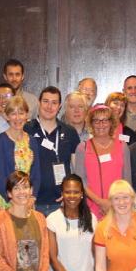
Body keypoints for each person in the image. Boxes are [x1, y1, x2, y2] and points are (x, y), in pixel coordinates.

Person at [24, 86, 81, 217]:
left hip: (62, 201)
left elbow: (77, 168)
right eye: (46, 101)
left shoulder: (69, 132)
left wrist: (71, 193)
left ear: (59, 106)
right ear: (39, 103)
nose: (49, 106)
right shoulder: (27, 130)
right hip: (33, 201)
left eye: (54, 103)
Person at [73, 104, 132, 219]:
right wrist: (100, 202)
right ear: (91, 123)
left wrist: (113, 202)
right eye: (96, 121)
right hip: (91, 207)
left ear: (111, 123)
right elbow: (81, 182)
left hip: (118, 206)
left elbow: (127, 181)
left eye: (105, 120)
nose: (101, 124)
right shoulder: (82, 148)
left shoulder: (123, 146)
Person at [0, 96, 41, 204]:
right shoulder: (0, 141)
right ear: (7, 116)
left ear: (27, 115)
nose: (17, 118)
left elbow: (36, 173)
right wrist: (12, 199)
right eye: (13, 114)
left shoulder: (32, 140)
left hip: (27, 200)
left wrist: (33, 197)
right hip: (7, 201)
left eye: (21, 113)